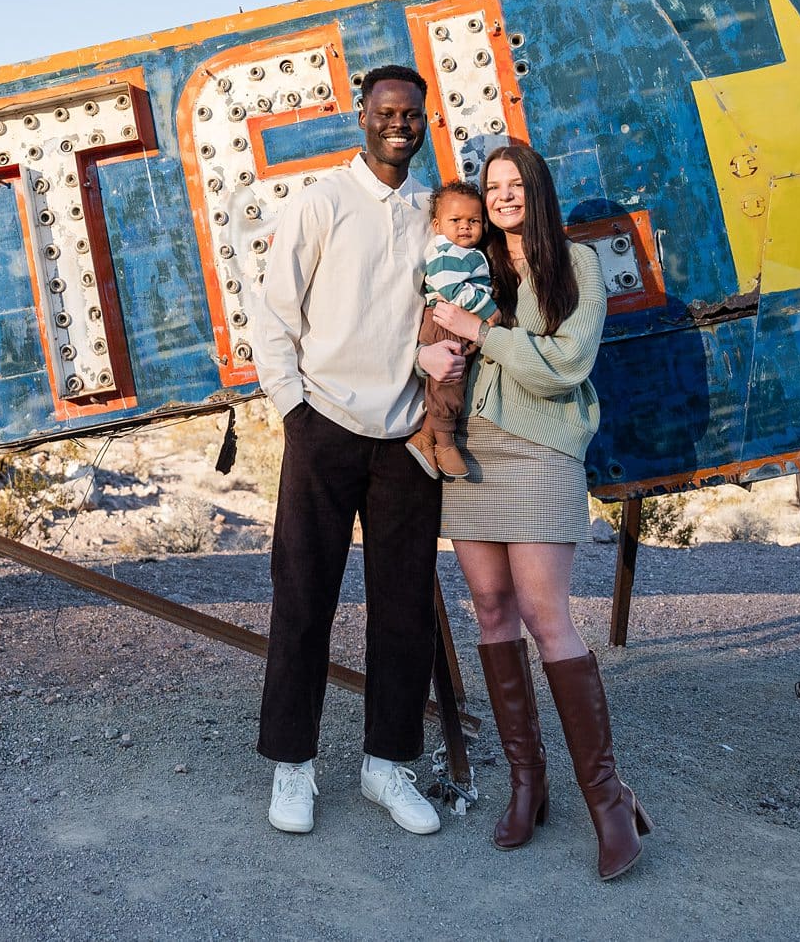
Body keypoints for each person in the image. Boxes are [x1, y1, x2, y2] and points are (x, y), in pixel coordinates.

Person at [250, 63, 466, 837]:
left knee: (403, 608)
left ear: (424, 119)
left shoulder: (433, 210)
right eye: (386, 112)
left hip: (405, 437)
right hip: (325, 425)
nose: (399, 124)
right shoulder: (322, 201)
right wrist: (293, 411)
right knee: (304, 599)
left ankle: (386, 765)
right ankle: (293, 767)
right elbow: (274, 312)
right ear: (362, 116)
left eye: (412, 113)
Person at [427, 143, 652, 879]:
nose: (501, 196)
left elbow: (564, 366)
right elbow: (429, 325)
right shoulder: (470, 260)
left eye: (513, 182)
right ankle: (529, 784)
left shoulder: (576, 264)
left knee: (545, 612)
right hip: (471, 450)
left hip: (542, 450)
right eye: (491, 186)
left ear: (537, 187)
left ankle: (608, 802)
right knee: (490, 608)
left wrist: (481, 332)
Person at [408, 182, 503, 480]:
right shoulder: (446, 252)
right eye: (455, 220)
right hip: (443, 324)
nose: (465, 227)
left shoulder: (465, 252)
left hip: (453, 323)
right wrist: (488, 309)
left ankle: (424, 438)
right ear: (437, 225)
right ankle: (445, 443)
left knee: (450, 381)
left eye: (473, 221)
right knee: (449, 382)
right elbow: (452, 289)